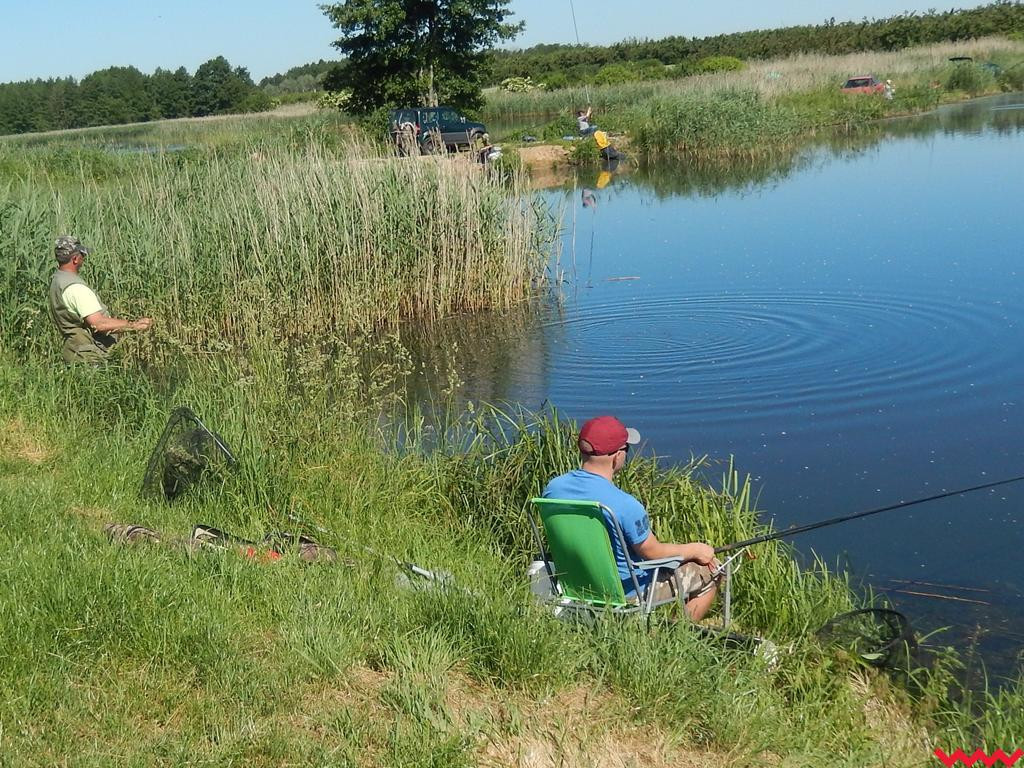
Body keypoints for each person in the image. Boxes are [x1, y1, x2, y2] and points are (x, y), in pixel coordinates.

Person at [543, 415, 721, 620]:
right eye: (626, 449)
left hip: (577, 585)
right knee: (711, 572)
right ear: (617, 456)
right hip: (626, 593)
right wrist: (695, 550)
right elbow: (654, 553)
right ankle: (674, 638)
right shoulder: (625, 504)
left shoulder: (553, 489)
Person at [47, 235, 152, 364]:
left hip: (74, 352)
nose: (84, 259)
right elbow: (99, 324)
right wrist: (133, 325)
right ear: (75, 259)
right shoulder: (76, 287)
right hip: (88, 357)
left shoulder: (57, 280)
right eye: (82, 256)